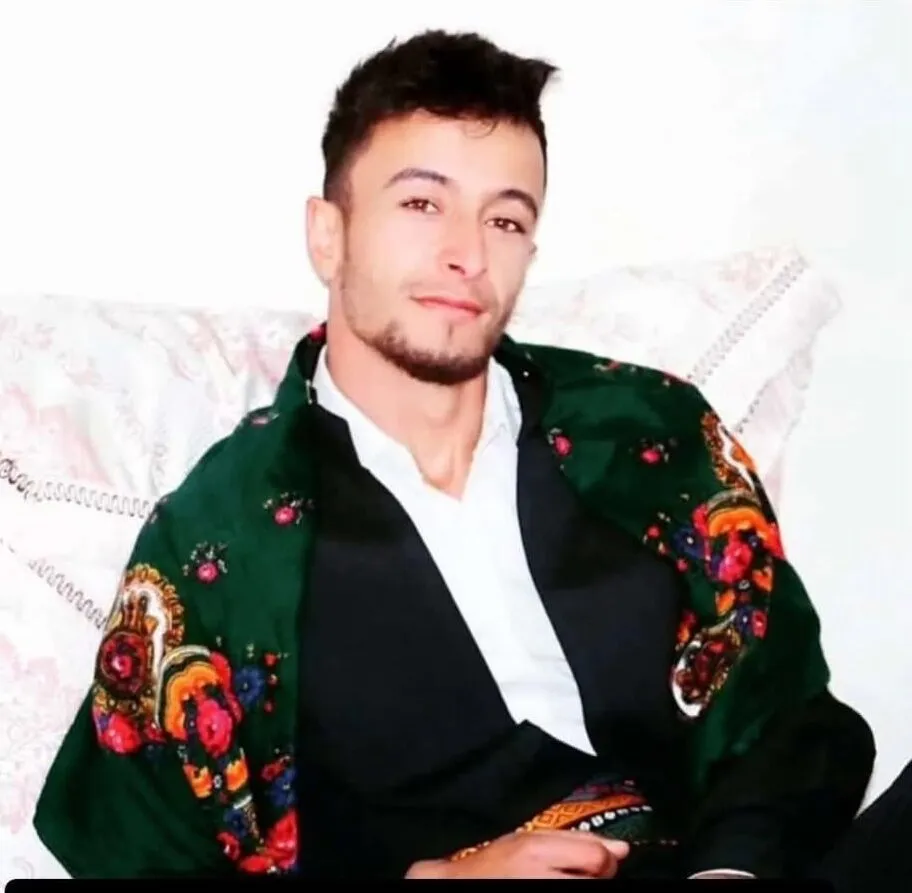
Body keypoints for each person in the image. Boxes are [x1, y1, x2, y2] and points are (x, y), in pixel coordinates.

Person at [29, 29, 904, 884]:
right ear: (328, 235)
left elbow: (791, 720)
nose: (467, 254)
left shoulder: (649, 432)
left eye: (505, 219)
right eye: (422, 204)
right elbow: (139, 856)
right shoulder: (223, 536)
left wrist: (731, 869)